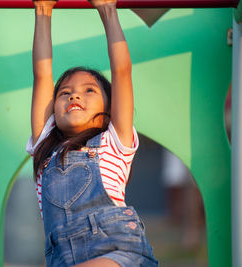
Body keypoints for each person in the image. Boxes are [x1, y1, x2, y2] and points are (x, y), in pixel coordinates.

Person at [26, 0, 158, 266]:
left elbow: (122, 71)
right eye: (65, 92)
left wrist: (108, 9)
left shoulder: (113, 142)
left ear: (110, 111)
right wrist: (43, 9)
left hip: (119, 252)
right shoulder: (45, 150)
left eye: (89, 90)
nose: (74, 94)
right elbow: (42, 75)